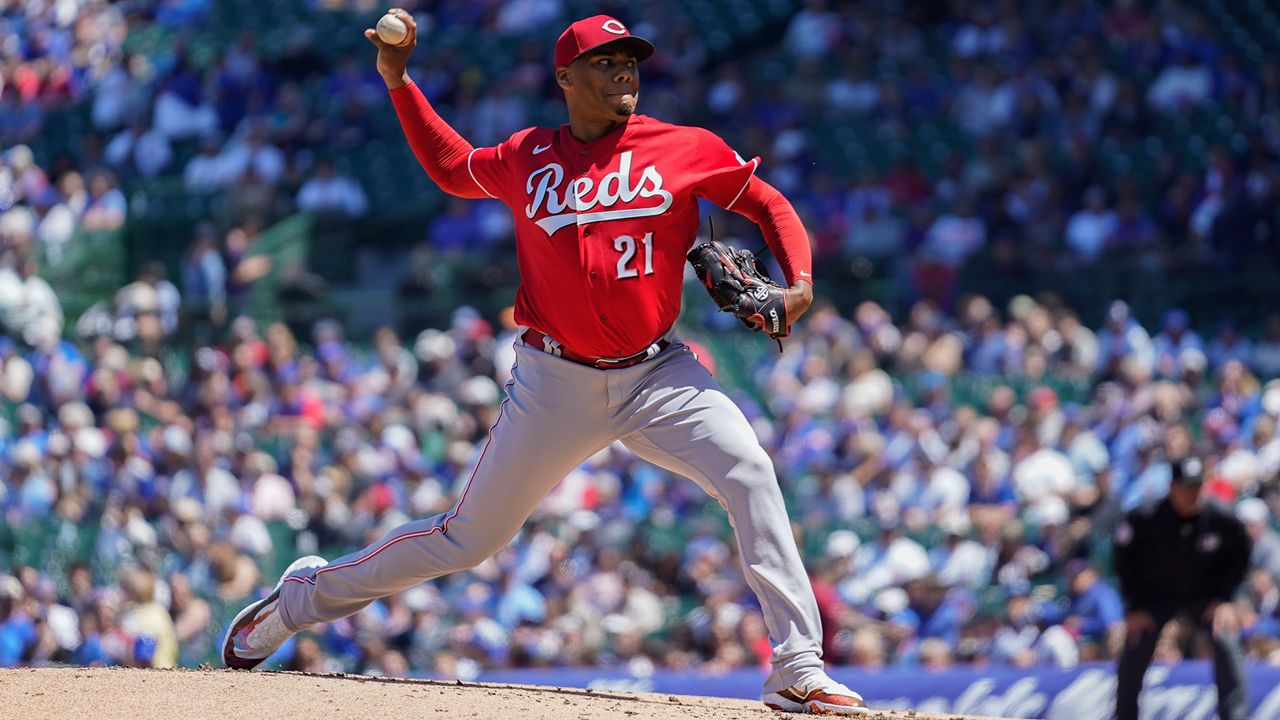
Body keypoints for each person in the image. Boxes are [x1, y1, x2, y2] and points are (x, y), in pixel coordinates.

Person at [222, 11, 868, 715]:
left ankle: (798, 665)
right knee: (468, 540)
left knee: (750, 471)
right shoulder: (528, 156)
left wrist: (799, 282)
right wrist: (399, 80)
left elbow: (768, 203)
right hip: (555, 380)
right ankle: (298, 601)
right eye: (605, 60)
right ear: (566, 77)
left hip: (659, 375)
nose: (625, 70)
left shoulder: (684, 147)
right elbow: (450, 167)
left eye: (630, 60)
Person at [1112, 457, 1252, 720]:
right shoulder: (1145, 517)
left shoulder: (1221, 517)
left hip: (1205, 596)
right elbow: (1123, 561)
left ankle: (1236, 716)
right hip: (1155, 597)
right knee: (1135, 641)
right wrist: (1135, 606)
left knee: (1226, 637)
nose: (1192, 494)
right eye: (1186, 487)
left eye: (1197, 487)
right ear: (1172, 487)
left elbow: (1240, 557)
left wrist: (1224, 598)